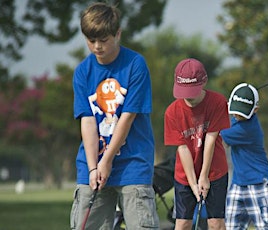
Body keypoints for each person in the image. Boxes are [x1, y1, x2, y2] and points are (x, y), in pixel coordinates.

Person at [70, 2, 159, 229]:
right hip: (92, 166)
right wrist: (93, 167)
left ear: (117, 34)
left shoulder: (135, 65)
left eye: (104, 40)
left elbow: (127, 117)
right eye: (91, 40)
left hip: (133, 165)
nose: (97, 46)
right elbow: (88, 121)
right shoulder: (83, 72)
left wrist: (106, 161)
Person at [164, 58, 230, 230]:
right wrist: (194, 183)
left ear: (204, 82)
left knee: (216, 223)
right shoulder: (172, 112)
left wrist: (204, 176)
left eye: (192, 91)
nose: (188, 96)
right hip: (184, 174)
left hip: (215, 171)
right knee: (183, 223)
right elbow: (183, 148)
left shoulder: (217, 102)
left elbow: (210, 139)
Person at [221, 83, 268, 230]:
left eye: (242, 114)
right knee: (231, 226)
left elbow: (217, 136)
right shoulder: (235, 120)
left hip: (259, 183)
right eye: (235, 112)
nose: (237, 116)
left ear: (255, 110)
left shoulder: (247, 129)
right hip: (238, 183)